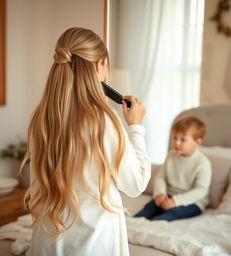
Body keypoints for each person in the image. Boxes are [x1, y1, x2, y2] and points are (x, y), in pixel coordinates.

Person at [22, 27, 151, 256]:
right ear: (99, 65)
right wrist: (136, 128)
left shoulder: (41, 118)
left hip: (47, 243)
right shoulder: (103, 122)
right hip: (96, 244)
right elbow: (136, 184)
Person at [134, 116, 212, 221]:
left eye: (183, 139)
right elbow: (160, 178)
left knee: (173, 213)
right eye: (175, 137)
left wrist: (175, 201)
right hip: (168, 196)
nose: (177, 143)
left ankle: (153, 226)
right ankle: (133, 224)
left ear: (197, 142)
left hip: (193, 202)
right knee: (150, 207)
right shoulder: (171, 156)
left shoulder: (203, 163)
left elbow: (200, 190)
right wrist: (160, 194)